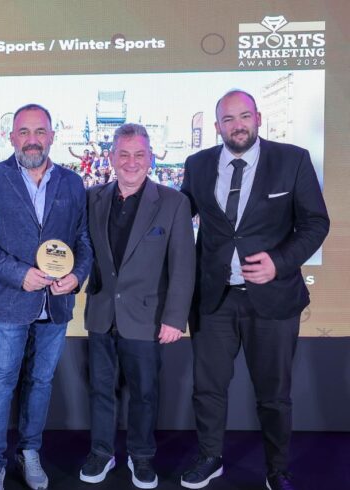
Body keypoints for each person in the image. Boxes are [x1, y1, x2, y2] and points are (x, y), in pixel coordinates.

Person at [179, 90, 329, 490]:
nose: (238, 125)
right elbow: (178, 219)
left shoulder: (292, 159)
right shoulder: (197, 164)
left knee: (274, 395)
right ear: (217, 127)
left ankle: (277, 469)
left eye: (244, 116)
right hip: (214, 298)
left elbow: (316, 223)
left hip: (274, 298)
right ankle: (210, 458)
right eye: (228, 119)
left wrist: (279, 262)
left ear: (258, 118)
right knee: (207, 389)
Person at [0, 103, 93, 490]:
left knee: (40, 383)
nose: (32, 139)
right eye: (24, 131)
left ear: (52, 136)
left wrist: (77, 275)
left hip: (55, 304)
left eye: (40, 131)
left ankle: (29, 452)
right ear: (11, 137)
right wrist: (18, 274)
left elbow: (83, 241)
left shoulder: (72, 183)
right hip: (9, 300)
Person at [79, 123, 195, 489]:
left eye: (139, 154)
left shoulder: (173, 202)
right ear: (112, 157)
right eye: (124, 154)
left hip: (149, 316)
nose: (132, 162)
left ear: (151, 158)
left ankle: (141, 456)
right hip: (101, 312)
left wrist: (175, 318)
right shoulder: (92, 198)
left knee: (144, 393)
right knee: (100, 389)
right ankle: (101, 451)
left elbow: (183, 265)